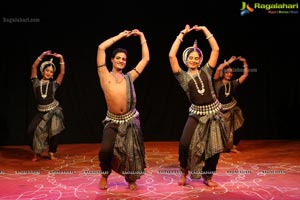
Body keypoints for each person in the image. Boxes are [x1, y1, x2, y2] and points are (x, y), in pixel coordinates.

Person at [168, 24, 228, 187]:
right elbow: (171, 56)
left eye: (196, 58)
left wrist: (205, 30)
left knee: (214, 147)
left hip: (214, 113)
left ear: (200, 60)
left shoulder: (207, 71)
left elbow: (215, 50)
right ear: (186, 59)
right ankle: (183, 171)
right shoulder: (183, 77)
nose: (193, 60)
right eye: (190, 57)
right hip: (196, 113)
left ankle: (207, 177)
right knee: (185, 143)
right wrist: (181, 34)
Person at [96, 29, 150, 190]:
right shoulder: (104, 74)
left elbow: (146, 58)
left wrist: (142, 36)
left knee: (131, 152)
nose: (121, 61)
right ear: (112, 60)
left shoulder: (129, 77)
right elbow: (100, 48)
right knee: (105, 150)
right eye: (118, 58)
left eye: (124, 59)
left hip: (130, 119)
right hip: (112, 120)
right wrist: (119, 36)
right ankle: (104, 174)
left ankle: (131, 179)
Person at [27, 50, 66, 162]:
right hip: (41, 112)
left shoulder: (54, 84)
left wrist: (61, 59)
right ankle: (36, 151)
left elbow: (62, 73)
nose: (49, 73)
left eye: (51, 72)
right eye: (47, 70)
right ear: (43, 71)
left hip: (53, 110)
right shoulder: (35, 82)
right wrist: (42, 56)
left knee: (55, 131)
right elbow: (33, 67)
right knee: (31, 131)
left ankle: (51, 152)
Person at [213, 56, 249, 153]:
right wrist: (228, 62)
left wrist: (244, 62)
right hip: (220, 110)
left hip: (232, 109)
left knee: (236, 128)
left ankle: (232, 146)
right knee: (221, 129)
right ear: (223, 74)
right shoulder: (217, 82)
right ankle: (220, 147)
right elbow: (219, 68)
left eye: (231, 73)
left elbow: (245, 75)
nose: (229, 74)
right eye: (227, 72)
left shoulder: (233, 83)